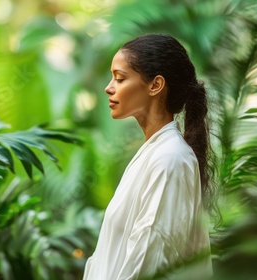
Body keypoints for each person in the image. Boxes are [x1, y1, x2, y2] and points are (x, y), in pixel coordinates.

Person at [83, 34, 214, 280]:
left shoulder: (170, 159)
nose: (108, 87)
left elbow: (151, 261)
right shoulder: (154, 153)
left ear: (155, 85)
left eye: (120, 78)